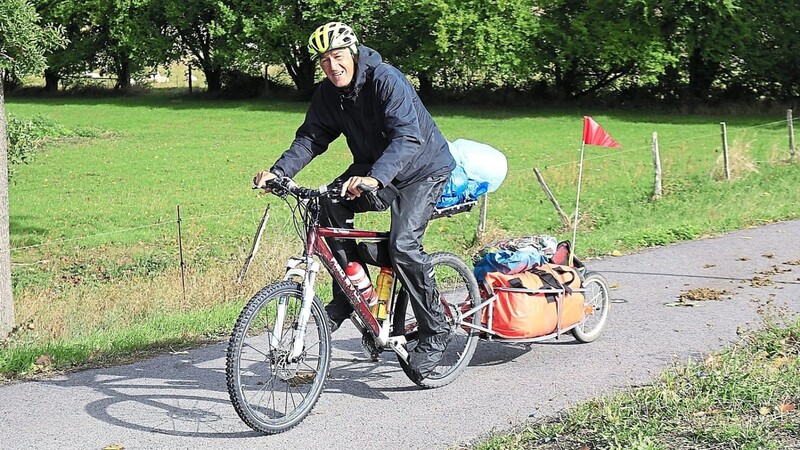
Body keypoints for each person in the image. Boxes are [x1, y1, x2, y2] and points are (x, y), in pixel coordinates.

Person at [253, 21, 455, 381]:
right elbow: (311, 139)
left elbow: (408, 138)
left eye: (338, 56)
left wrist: (375, 178)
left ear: (354, 53)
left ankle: (435, 331)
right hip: (373, 165)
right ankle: (349, 294)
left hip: (422, 168)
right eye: (324, 60)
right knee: (327, 206)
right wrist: (279, 172)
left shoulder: (385, 80)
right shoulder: (328, 94)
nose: (332, 66)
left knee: (404, 245)